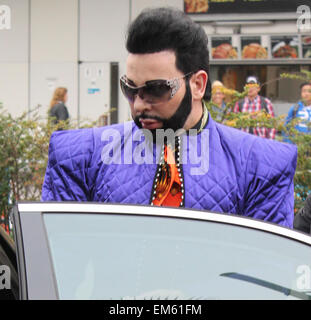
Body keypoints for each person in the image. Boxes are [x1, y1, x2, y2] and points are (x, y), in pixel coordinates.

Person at [42, 7, 297, 228]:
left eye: (156, 89)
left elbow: (262, 273)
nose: (139, 104)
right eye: (130, 89)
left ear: (198, 85)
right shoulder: (78, 156)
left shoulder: (262, 166)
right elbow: (59, 264)